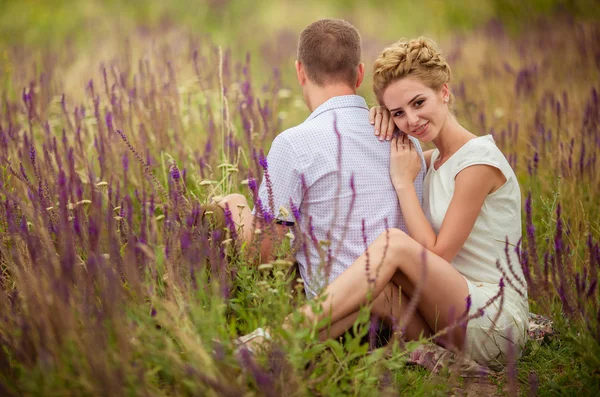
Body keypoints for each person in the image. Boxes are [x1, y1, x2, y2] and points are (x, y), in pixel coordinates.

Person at [238, 36, 529, 368]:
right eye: (399, 112)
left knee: (392, 244)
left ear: (444, 92)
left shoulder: (478, 162)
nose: (411, 120)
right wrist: (377, 120)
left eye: (419, 103)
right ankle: (268, 355)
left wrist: (404, 184)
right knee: (373, 294)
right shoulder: (432, 159)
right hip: (444, 316)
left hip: (491, 321)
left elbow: (437, 256)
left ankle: (274, 336)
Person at [218, 19, 426, 306]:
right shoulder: (407, 140)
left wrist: (235, 205)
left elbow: (265, 255)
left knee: (220, 213)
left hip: (337, 318)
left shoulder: (294, 143)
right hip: (409, 313)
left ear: (300, 71)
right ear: (360, 74)